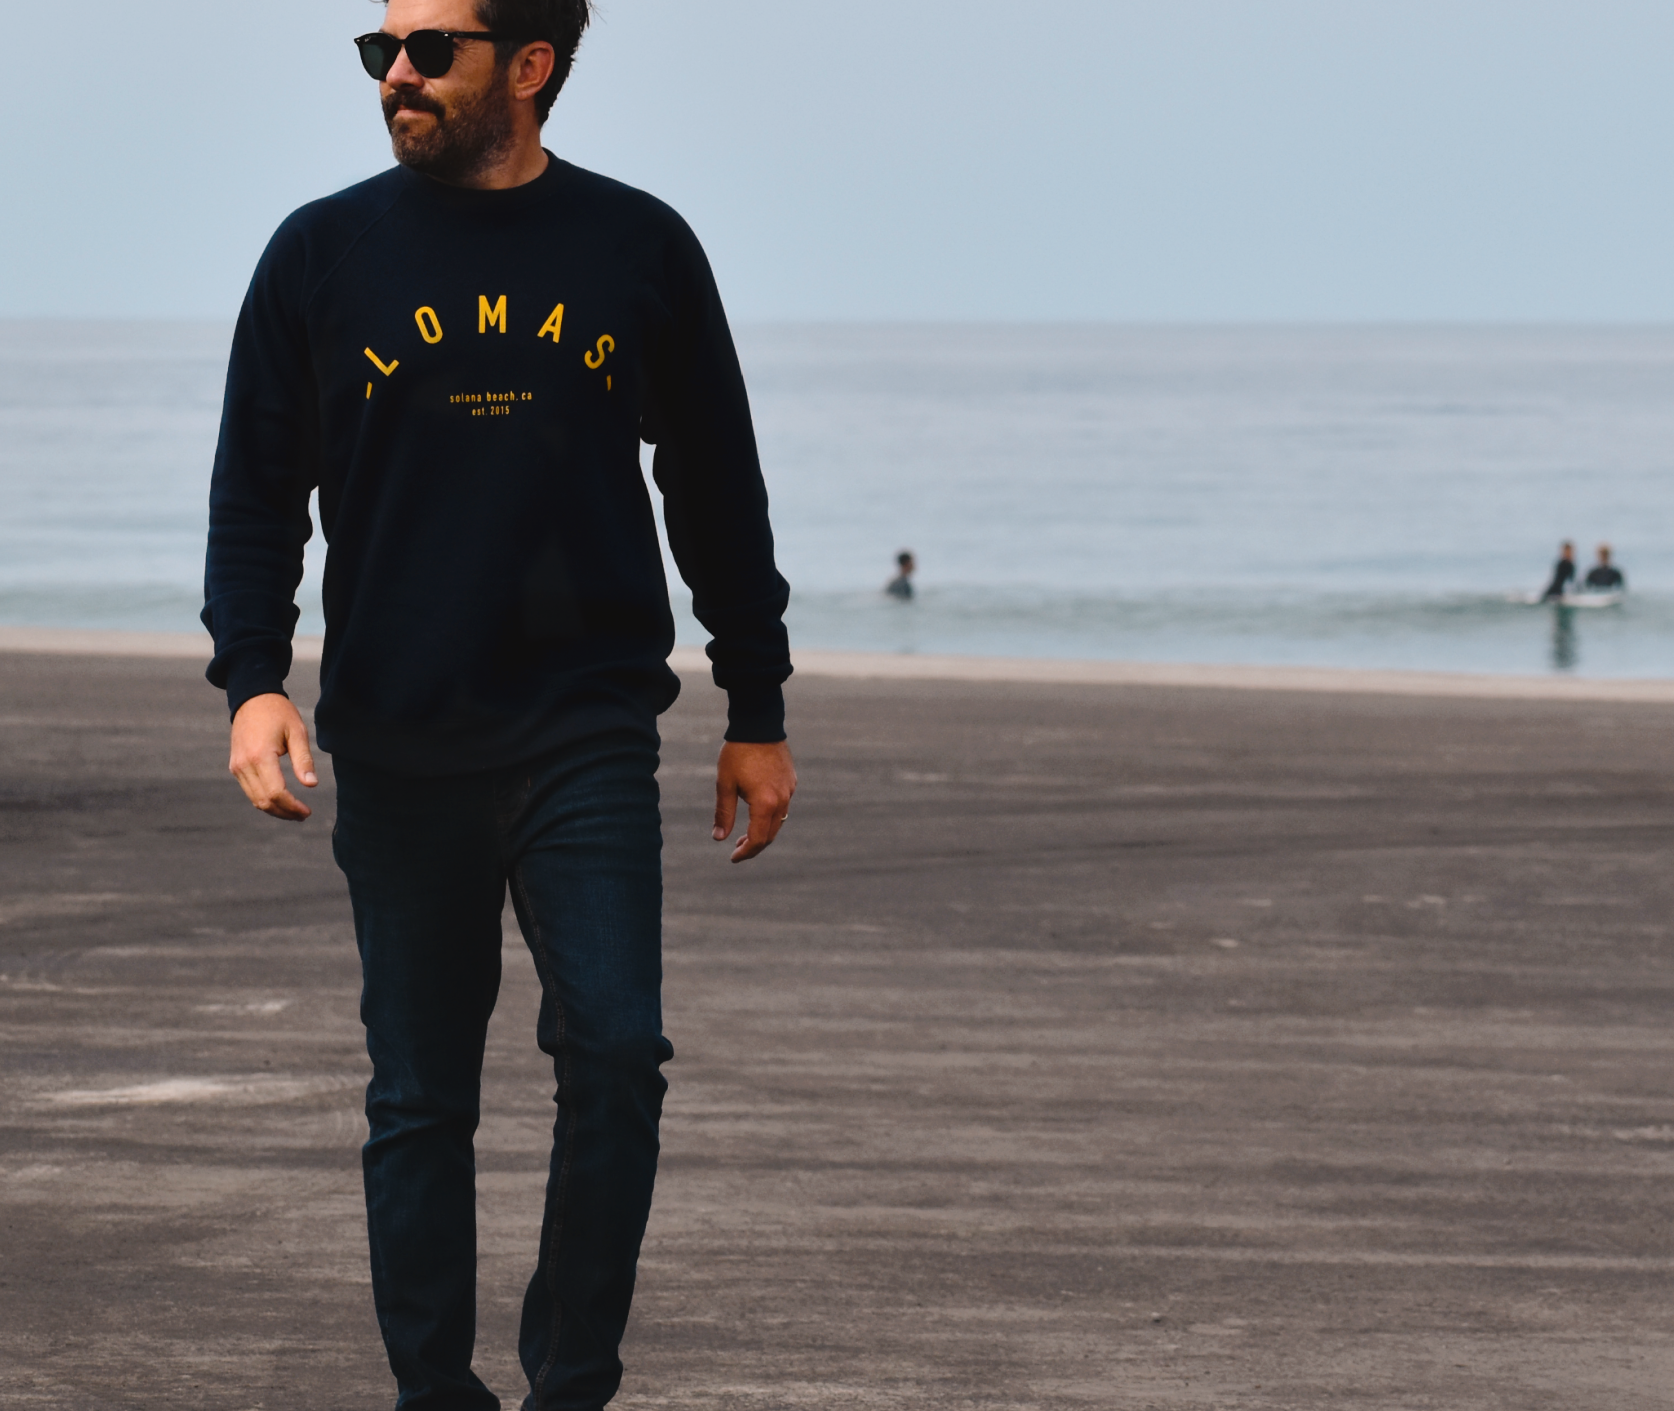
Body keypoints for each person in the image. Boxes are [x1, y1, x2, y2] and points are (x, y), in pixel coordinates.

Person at [201, 3, 797, 1407]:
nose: (395, 75)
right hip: (399, 737)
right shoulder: (320, 252)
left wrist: (755, 702)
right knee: (419, 1095)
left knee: (617, 1051)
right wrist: (253, 680)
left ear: (528, 67)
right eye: (379, 50)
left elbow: (714, 484)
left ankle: (569, 1380)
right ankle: (433, 1391)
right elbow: (255, 485)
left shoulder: (636, 247)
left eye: (429, 50)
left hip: (584, 728)